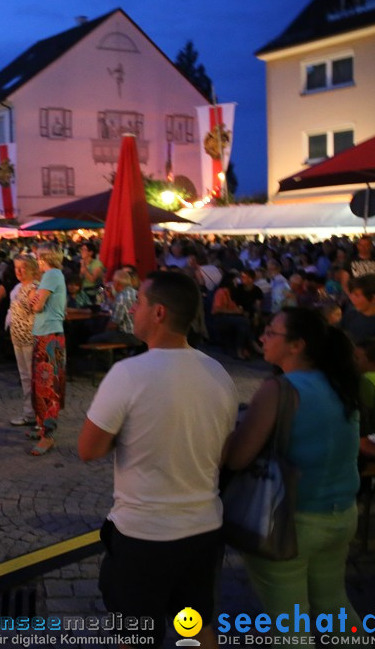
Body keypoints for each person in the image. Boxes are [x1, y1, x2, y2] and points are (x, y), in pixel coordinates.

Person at [78, 271, 237, 648]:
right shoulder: (218, 373)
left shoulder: (129, 374)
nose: (133, 309)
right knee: (196, 626)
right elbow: (224, 452)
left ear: (159, 312)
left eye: (140, 303)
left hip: (144, 535)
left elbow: (88, 448)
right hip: (202, 529)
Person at [225, 307, 361, 635]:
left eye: (271, 332)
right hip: (340, 515)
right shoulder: (340, 384)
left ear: (296, 345)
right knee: (333, 604)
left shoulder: (280, 390)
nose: (263, 338)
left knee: (290, 626)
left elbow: (237, 459)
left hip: (289, 521)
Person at [28, 248, 66, 455]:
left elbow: (36, 306)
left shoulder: (52, 274)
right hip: (46, 333)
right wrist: (35, 298)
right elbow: (32, 301)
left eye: (38, 258)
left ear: (44, 259)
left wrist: (35, 299)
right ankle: (42, 427)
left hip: (49, 334)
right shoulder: (51, 277)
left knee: (47, 386)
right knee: (41, 384)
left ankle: (48, 435)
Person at [6, 254, 40, 427]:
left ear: (32, 269)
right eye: (16, 268)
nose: (18, 271)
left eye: (23, 268)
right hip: (18, 337)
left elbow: (37, 310)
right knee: (25, 377)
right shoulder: (20, 287)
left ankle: (36, 414)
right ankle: (29, 412)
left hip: (29, 337)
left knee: (32, 377)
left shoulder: (33, 288)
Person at [341, 273, 375, 346]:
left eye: (356, 295)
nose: (351, 297)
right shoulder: (351, 312)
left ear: (374, 299)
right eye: (351, 293)